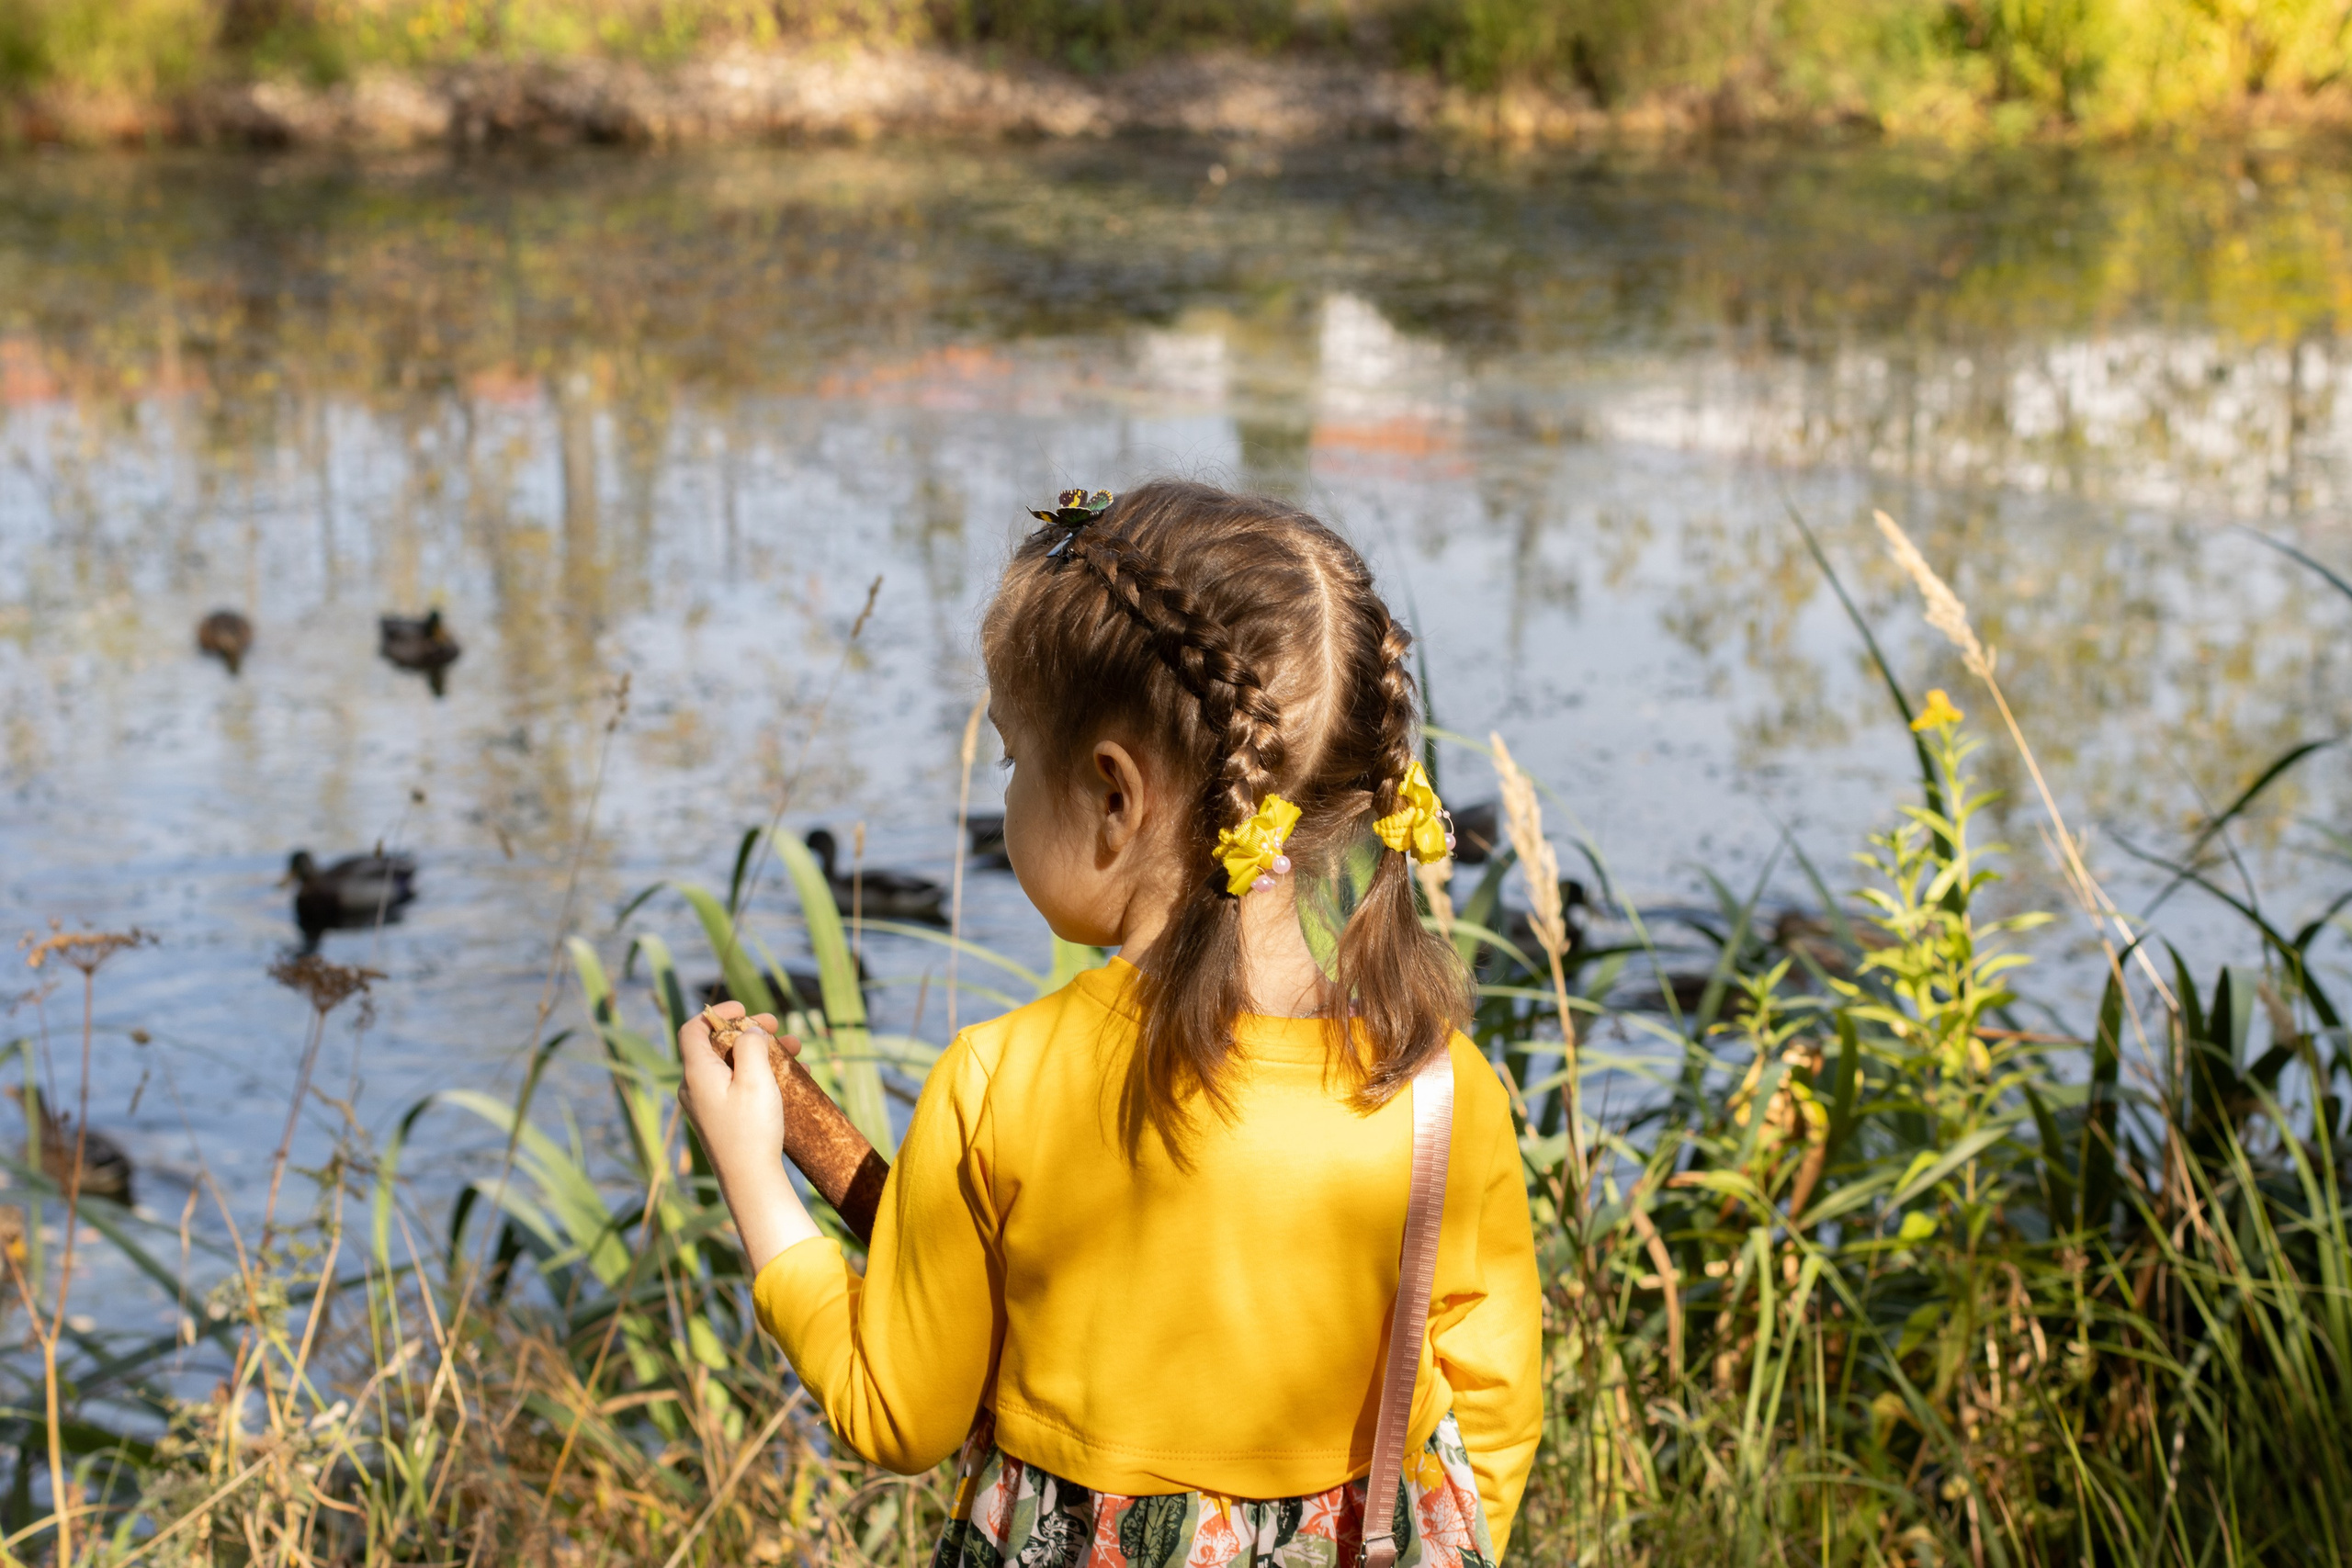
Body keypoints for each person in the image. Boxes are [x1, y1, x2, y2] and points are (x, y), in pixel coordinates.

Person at [680, 480, 1542, 1566]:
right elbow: (1494, 1398)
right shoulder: (1439, 1087)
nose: (1003, 794)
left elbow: (900, 1413)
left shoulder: (1000, 1080)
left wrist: (757, 1178)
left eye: (1009, 756)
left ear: (1113, 797)